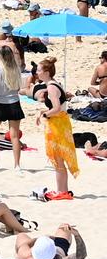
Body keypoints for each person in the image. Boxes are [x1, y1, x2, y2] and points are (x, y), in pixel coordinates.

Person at [33, 58, 78, 196]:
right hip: (61, 123)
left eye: (39, 70)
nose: (37, 72)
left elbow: (57, 108)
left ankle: (61, 191)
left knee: (58, 160)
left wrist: (45, 114)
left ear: (46, 72)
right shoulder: (53, 84)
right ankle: (63, 190)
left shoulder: (52, 87)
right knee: (59, 160)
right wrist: (44, 112)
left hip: (58, 125)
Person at [0, 47, 25, 170]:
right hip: (14, 102)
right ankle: (17, 165)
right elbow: (19, 87)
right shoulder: (16, 68)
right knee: (14, 136)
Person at [14, 226, 87, 259]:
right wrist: (76, 235)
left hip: (30, 253)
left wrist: (37, 239)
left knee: (21, 235)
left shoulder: (25, 258)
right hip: (60, 247)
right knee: (64, 227)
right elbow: (81, 256)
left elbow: (25, 244)